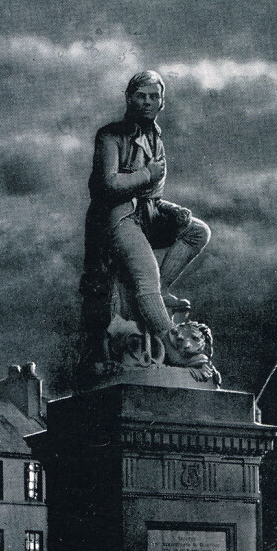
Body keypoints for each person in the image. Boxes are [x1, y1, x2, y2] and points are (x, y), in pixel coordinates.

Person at [82, 70, 211, 367]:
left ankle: (160, 291)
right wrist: (147, 174)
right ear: (129, 99)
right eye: (140, 96)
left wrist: (169, 210)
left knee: (198, 232)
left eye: (154, 97)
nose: (147, 102)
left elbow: (152, 192)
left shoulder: (156, 137)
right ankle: (174, 350)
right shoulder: (110, 136)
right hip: (115, 217)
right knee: (146, 279)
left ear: (161, 102)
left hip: (147, 214)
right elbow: (109, 185)